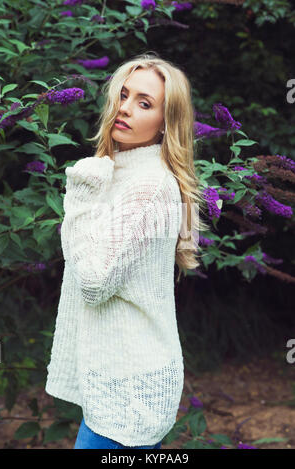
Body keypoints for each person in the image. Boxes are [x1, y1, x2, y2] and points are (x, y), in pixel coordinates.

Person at [45, 52, 209, 449]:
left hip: (128, 390)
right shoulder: (119, 172)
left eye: (145, 103)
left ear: (166, 124)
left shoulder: (148, 187)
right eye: (123, 94)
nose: (125, 108)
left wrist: (81, 201)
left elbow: (94, 283)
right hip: (116, 376)